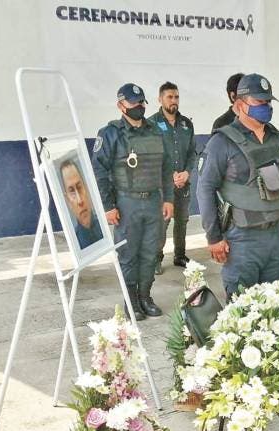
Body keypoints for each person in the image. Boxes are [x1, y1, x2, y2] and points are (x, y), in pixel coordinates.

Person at [197, 73, 279, 301]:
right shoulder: (222, 142)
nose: (266, 106)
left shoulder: (275, 137)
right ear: (240, 104)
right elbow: (205, 189)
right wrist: (214, 237)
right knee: (242, 308)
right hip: (243, 239)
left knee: (276, 305)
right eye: (259, 101)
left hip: (277, 237)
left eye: (268, 101)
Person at [92, 83, 174, 320]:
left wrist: (168, 199)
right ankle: (131, 301)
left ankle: (145, 296)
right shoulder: (110, 134)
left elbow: (166, 167)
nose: (139, 106)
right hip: (126, 203)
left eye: (141, 102)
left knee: (151, 252)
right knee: (128, 254)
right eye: (133, 102)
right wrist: (108, 206)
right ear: (121, 105)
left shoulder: (156, 130)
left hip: (153, 201)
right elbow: (99, 172)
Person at [150, 81, 197, 275]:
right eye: (169, 97)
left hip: (183, 182)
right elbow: (151, 155)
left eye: (176, 97)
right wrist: (169, 175)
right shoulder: (151, 124)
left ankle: (180, 255)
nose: (174, 100)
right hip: (162, 185)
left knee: (182, 220)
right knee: (162, 221)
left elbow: (193, 153)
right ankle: (155, 258)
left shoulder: (186, 124)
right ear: (160, 99)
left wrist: (187, 172)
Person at [60, 159, 103, 249]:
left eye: (79, 187)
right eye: (72, 191)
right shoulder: (75, 244)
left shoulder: (106, 226)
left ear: (86, 188)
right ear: (68, 201)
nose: (80, 201)